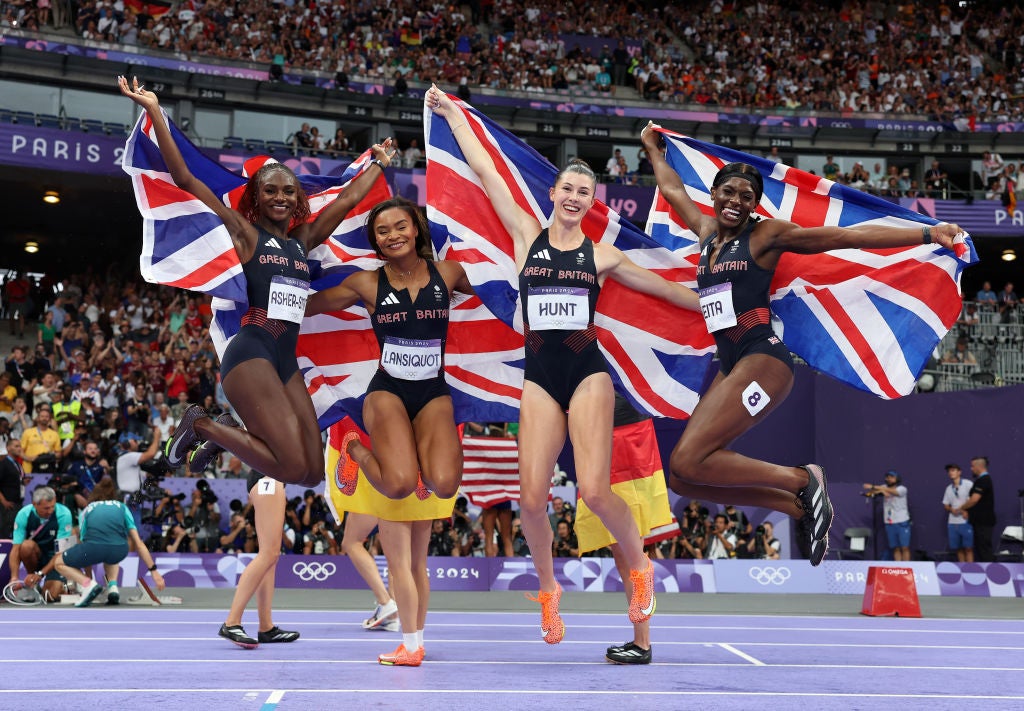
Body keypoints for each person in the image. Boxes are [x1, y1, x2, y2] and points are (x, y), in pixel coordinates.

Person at [428, 87, 701, 643]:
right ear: (553, 193)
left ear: (592, 201)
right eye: (568, 189)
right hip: (539, 378)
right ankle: (550, 593)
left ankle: (642, 570)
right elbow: (486, 172)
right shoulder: (526, 237)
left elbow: (672, 295)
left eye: (585, 192)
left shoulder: (603, 256)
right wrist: (454, 114)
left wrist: (735, 299)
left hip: (587, 374)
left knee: (597, 494)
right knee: (530, 499)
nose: (575, 197)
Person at [640, 121, 965, 566]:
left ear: (755, 204)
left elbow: (846, 238)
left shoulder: (765, 236)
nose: (736, 201)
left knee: (689, 456)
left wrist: (927, 234)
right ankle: (797, 504)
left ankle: (802, 478)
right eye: (728, 192)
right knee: (683, 477)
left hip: (764, 362)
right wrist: (654, 151)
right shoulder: (707, 236)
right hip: (733, 365)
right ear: (714, 195)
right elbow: (674, 191)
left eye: (746, 196)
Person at [118, 75, 395, 489]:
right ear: (257, 196)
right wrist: (156, 111)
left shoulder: (303, 241)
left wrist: (379, 164)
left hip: (285, 360)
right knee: (288, 465)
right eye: (270, 191)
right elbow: (188, 181)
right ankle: (205, 425)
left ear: (297, 199)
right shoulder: (246, 234)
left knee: (309, 473)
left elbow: (347, 200)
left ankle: (219, 426)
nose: (280, 197)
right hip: (251, 354)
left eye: (288, 191)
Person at [307, 196, 473, 501]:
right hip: (387, 391)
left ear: (416, 230)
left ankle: (418, 453)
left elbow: (500, 290)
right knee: (399, 486)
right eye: (383, 231)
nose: (393, 235)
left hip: (432, 391)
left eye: (400, 227)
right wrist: (262, 292)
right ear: (376, 241)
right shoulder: (366, 283)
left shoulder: (449, 273)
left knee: (446, 486)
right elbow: (306, 308)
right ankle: (354, 448)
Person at [574, 394, 678, 665]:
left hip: (626, 430)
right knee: (619, 549)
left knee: (628, 545)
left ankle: (642, 642)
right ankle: (641, 641)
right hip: (593, 430)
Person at [218, 469, 301, 647]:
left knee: (271, 558)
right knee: (268, 554)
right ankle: (231, 623)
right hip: (268, 476)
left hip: (272, 477)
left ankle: (266, 628)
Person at [53, 477, 165, 607]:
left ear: (94, 495)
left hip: (94, 549)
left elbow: (85, 544)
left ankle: (88, 585)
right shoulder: (123, 507)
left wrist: (88, 581)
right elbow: (139, 544)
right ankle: (113, 587)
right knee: (111, 550)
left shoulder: (88, 509)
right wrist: (154, 571)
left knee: (58, 563)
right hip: (120, 551)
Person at [8, 486, 73, 602]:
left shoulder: (64, 514)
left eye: (53, 506)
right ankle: (32, 583)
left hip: (56, 558)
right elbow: (16, 549)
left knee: (50, 596)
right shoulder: (24, 514)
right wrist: (14, 577)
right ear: (34, 504)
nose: (50, 511)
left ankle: (66, 586)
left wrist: (41, 574)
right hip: (37, 555)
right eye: (46, 508)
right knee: (26, 546)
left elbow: (61, 553)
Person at [339, 512, 398, 631]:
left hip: (373, 495)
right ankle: (392, 616)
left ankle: (385, 602)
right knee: (391, 548)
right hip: (399, 498)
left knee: (351, 543)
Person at [863, 470, 911, 561]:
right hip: (890, 522)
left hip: (902, 522)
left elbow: (894, 492)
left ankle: (907, 567)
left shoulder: (902, 489)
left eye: (892, 477)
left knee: (905, 547)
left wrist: (878, 488)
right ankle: (899, 568)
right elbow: (870, 492)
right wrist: (877, 490)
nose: (889, 479)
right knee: (895, 547)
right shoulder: (883, 487)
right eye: (888, 477)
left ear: (897, 479)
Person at [957, 456, 995, 562]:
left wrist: (962, 507)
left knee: (984, 550)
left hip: (984, 522)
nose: (971, 469)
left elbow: (974, 499)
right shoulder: (981, 480)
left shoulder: (984, 480)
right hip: (979, 522)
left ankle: (992, 574)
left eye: (973, 466)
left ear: (979, 466)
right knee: (981, 549)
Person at [941, 463, 974, 563]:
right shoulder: (948, 488)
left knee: (968, 548)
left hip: (966, 521)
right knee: (958, 549)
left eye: (953, 470)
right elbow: (946, 504)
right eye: (949, 471)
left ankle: (971, 570)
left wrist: (966, 510)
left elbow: (974, 500)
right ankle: (963, 570)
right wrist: (952, 510)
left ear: (959, 472)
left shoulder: (968, 484)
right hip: (952, 523)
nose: (951, 473)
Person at [0, 439, 25, 538]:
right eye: (16, 446)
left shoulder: (17, 464)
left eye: (20, 446)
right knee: (5, 529)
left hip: (17, 502)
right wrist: (4, 501)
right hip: (7, 504)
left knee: (15, 529)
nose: (19, 449)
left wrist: (23, 481)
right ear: (8, 448)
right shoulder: (3, 464)